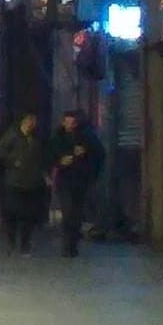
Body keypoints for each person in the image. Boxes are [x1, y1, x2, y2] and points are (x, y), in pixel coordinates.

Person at [48, 108, 104, 257]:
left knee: (76, 213)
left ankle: (72, 243)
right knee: (68, 212)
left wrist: (86, 153)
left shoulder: (86, 137)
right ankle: (67, 245)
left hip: (80, 180)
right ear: (63, 122)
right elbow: (49, 156)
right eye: (68, 122)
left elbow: (99, 154)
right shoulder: (57, 138)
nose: (70, 126)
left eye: (73, 123)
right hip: (64, 180)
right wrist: (60, 162)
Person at [0, 113, 47, 254]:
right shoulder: (13, 135)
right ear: (24, 122)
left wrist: (43, 175)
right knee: (13, 211)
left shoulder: (36, 138)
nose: (33, 123)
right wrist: (13, 160)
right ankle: (12, 241)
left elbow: (41, 158)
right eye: (30, 120)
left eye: (34, 120)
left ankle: (25, 243)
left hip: (32, 182)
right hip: (15, 181)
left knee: (28, 214)